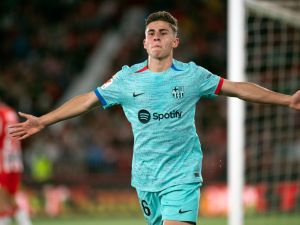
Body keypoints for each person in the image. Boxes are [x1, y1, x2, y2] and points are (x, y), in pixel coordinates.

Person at [8, 11, 300, 225]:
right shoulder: (126, 79)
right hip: (146, 178)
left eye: (163, 32)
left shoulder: (193, 76)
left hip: (182, 175)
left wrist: (286, 99)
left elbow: (237, 89)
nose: (157, 36)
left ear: (175, 40)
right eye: (151, 33)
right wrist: (44, 120)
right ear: (145, 43)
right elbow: (87, 101)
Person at [0, 100, 32, 225]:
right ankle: (25, 222)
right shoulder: (10, 112)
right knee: (10, 199)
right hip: (15, 161)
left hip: (3, 163)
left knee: (2, 201)